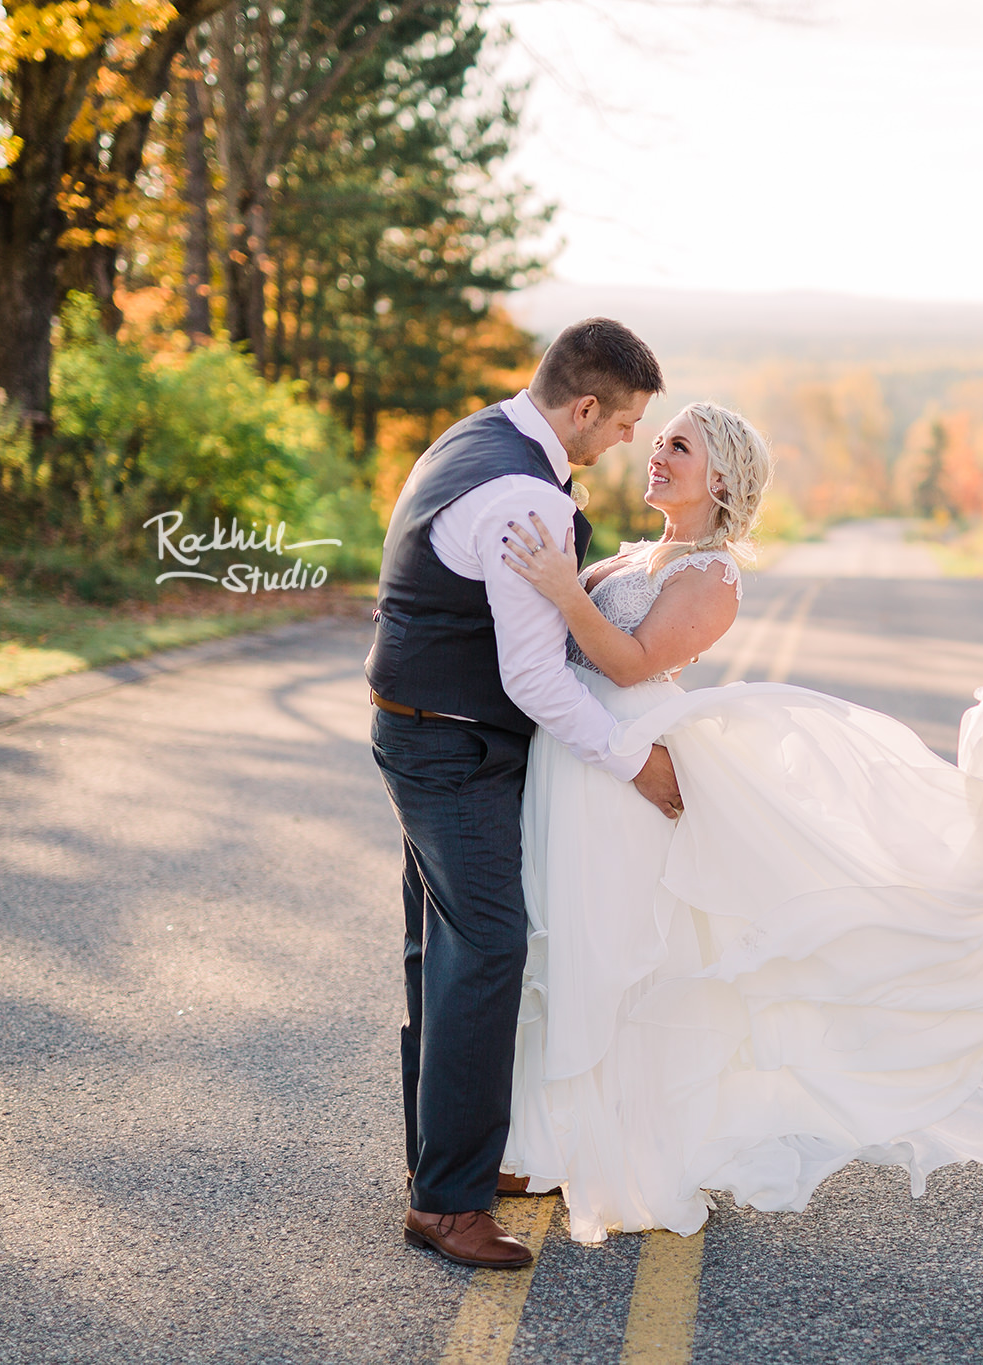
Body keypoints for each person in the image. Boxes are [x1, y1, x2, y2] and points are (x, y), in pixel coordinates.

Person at [496, 401, 983, 1245]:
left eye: (678, 446)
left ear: (719, 475)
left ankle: (619, 1153)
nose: (658, 455)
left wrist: (555, 586)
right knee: (559, 943)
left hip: (624, 774)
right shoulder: (624, 555)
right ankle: (544, 1144)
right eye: (657, 443)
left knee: (611, 955)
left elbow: (628, 660)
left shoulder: (712, 576)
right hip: (570, 761)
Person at [364, 318, 679, 1271]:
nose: (627, 441)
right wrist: (634, 761)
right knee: (489, 945)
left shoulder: (474, 438)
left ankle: (447, 1163)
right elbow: (538, 679)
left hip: (418, 722)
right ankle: (448, 1204)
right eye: (624, 422)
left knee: (442, 944)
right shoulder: (521, 495)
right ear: (585, 407)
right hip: (450, 745)